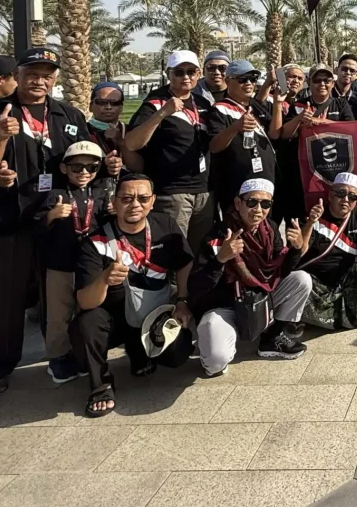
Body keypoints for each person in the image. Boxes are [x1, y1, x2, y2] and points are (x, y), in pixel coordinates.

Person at [0, 46, 88, 390]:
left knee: (59, 292)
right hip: (8, 220)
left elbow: (83, 161)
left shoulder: (68, 116)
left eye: (47, 76)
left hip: (58, 217)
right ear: (15, 77)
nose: (39, 81)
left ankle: (63, 353)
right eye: (32, 74)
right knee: (4, 298)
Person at [75, 173, 193, 417]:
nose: (135, 204)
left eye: (142, 198)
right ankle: (100, 385)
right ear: (115, 202)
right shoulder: (95, 240)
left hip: (155, 315)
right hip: (114, 317)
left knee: (178, 355)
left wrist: (182, 301)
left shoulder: (166, 225)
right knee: (87, 323)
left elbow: (185, 263)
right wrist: (104, 279)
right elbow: (85, 301)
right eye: (127, 198)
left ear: (153, 201)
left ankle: (139, 351)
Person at [190, 178, 313, 373]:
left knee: (301, 280)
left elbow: (279, 271)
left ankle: (272, 337)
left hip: (257, 297)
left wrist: (296, 250)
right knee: (215, 362)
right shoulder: (218, 235)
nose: (258, 210)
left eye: (265, 204)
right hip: (225, 305)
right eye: (252, 202)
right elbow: (196, 287)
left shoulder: (269, 230)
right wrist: (220, 260)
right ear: (238, 204)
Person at [124, 50, 215, 255]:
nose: (186, 77)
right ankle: (175, 289)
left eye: (191, 72)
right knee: (175, 254)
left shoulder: (202, 104)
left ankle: (194, 288)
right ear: (168, 74)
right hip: (173, 193)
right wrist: (163, 113)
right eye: (179, 72)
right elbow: (131, 143)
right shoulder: (155, 103)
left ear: (198, 73)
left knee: (200, 253)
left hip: (204, 191)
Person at [32, 140, 108, 384]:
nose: (84, 173)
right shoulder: (54, 194)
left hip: (91, 265)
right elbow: (35, 227)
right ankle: (58, 356)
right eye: (77, 167)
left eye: (92, 168)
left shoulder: (101, 193)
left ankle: (82, 352)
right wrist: (51, 216)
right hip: (60, 264)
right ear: (64, 168)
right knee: (59, 313)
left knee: (86, 310)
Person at [292, 173, 357, 329]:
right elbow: (300, 250)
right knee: (300, 280)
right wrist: (310, 223)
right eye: (341, 194)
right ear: (331, 195)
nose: (345, 200)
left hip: (342, 280)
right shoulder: (315, 215)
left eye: (352, 197)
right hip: (314, 281)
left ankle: (351, 318)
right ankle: (301, 319)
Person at [206, 59, 278, 206]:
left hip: (266, 183)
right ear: (228, 81)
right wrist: (235, 127)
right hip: (238, 187)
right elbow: (214, 146)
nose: (249, 83)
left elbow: (275, 133)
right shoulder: (219, 109)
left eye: (253, 79)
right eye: (242, 79)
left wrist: (276, 99)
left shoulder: (255, 106)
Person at [85, 81, 129, 197]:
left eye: (114, 103)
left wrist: (121, 142)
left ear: (121, 107)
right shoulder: (82, 132)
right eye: (101, 102)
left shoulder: (131, 132)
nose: (108, 107)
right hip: (92, 195)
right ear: (90, 106)